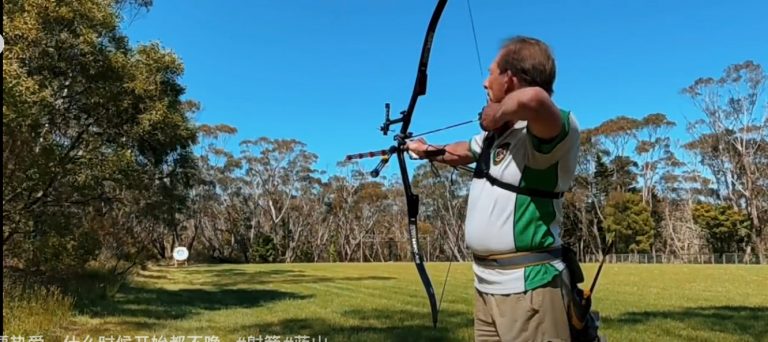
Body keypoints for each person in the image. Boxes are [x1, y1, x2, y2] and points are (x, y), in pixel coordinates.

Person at [406, 36, 581, 341]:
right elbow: (461, 150)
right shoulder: (498, 137)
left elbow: (534, 100)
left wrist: (497, 113)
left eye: (491, 73)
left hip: (529, 289)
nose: (485, 83)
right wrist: (424, 149)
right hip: (486, 286)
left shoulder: (547, 132)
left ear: (510, 79)